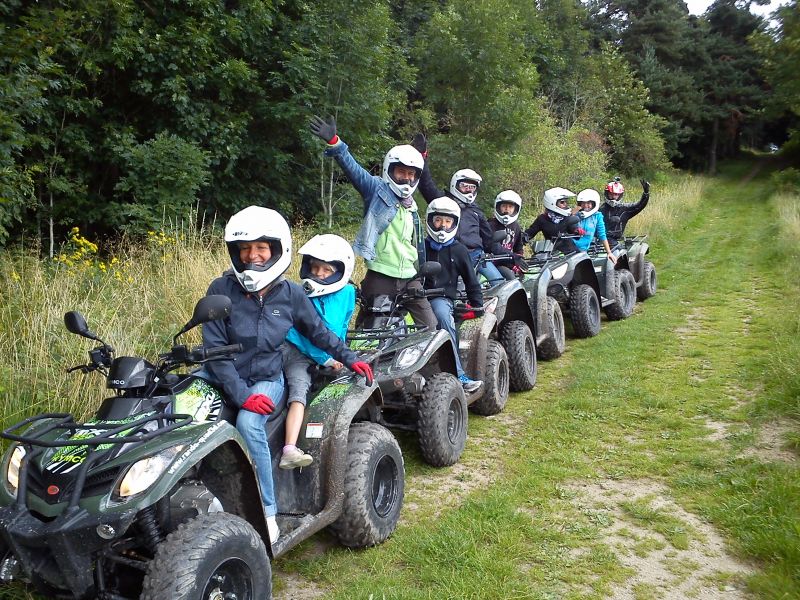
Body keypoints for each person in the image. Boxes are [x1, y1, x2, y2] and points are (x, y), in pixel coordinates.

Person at [200, 206, 373, 543]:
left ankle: (266, 511)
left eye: (261, 248)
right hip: (223, 376)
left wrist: (350, 358)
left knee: (249, 424)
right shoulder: (220, 289)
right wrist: (241, 394)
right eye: (245, 248)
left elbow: (318, 332)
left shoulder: (290, 294)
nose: (252, 256)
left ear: (277, 250)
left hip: (268, 376)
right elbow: (215, 353)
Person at [309, 115, 437, 331]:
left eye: (411, 174)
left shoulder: (411, 205)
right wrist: (335, 143)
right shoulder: (377, 190)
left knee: (431, 328)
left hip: (409, 276)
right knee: (369, 334)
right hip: (381, 275)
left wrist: (420, 155)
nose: (406, 179)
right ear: (390, 170)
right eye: (401, 172)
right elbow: (355, 171)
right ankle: (356, 363)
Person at [280, 234, 356, 470]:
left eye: (326, 270)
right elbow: (301, 334)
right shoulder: (299, 294)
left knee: (306, 393)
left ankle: (297, 447)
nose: (319, 274)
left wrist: (340, 353)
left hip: (328, 352)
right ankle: (289, 448)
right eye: (314, 268)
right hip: (295, 350)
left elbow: (340, 326)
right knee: (298, 389)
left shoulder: (347, 293)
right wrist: (326, 357)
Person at [410, 134, 504, 287]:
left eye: (472, 188)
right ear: (455, 185)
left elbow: (489, 241)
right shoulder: (443, 202)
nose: (468, 191)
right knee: (452, 291)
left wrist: (512, 256)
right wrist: (422, 158)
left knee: (500, 284)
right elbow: (426, 183)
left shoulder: (476, 211)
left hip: (477, 257)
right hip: (450, 255)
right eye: (464, 186)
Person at [424, 197, 484, 392]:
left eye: (448, 222)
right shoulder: (420, 247)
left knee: (441, 315)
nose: (442, 226)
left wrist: (478, 305)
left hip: (442, 297)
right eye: (438, 220)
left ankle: (458, 375)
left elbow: (471, 279)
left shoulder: (459, 249)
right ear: (430, 220)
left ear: (455, 223)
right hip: (415, 296)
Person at [524, 187, 584, 253]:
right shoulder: (542, 219)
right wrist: (520, 238)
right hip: (551, 254)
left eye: (566, 202)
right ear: (552, 203)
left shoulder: (566, 217)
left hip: (570, 253)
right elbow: (529, 233)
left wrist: (577, 231)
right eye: (562, 202)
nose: (565, 204)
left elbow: (574, 231)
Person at [600, 178, 651, 243]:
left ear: (620, 195)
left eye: (616, 194)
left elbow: (639, 206)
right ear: (607, 193)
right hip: (599, 239)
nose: (614, 197)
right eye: (611, 193)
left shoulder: (624, 209)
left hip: (614, 241)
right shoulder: (601, 209)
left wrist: (646, 194)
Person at [573, 189, 617, 264]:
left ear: (594, 204)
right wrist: (572, 214)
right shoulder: (575, 214)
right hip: (569, 249)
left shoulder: (597, 216)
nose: (586, 206)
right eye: (583, 203)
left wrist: (609, 252)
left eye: (589, 203)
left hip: (583, 251)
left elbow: (602, 235)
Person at [489, 190, 525, 276]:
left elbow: (518, 247)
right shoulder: (490, 225)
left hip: (509, 262)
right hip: (493, 263)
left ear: (515, 209)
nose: (507, 209)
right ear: (498, 207)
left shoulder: (516, 226)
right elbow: (491, 246)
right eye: (504, 206)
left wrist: (519, 261)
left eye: (510, 207)